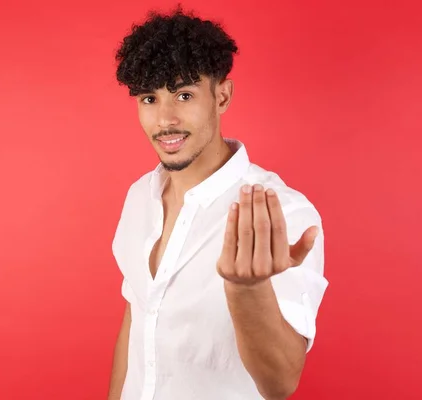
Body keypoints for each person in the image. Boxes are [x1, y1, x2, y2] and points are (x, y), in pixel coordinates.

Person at [107, 6, 328, 400]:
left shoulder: (281, 212)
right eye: (149, 99)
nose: (165, 120)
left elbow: (281, 383)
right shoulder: (139, 196)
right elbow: (138, 315)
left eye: (184, 94)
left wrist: (248, 290)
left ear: (221, 95)